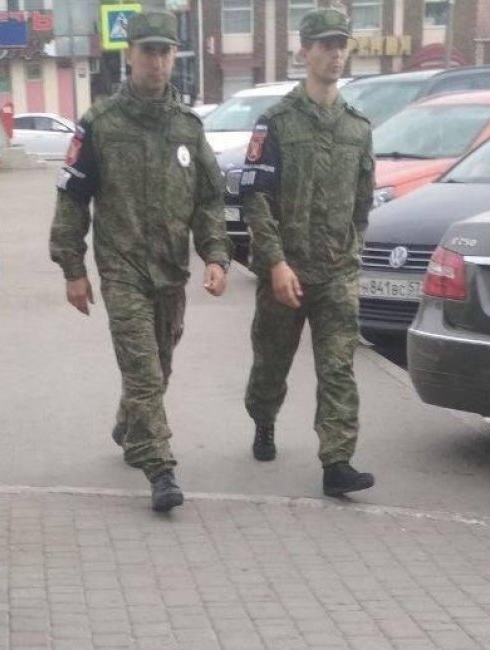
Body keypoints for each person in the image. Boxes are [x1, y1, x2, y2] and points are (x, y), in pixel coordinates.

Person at [50, 11, 231, 513]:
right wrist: (73, 267)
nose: (156, 61)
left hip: (171, 271)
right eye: (147, 51)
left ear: (175, 56)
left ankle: (130, 425)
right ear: (128, 56)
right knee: (144, 372)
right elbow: (72, 198)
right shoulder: (101, 124)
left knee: (161, 363)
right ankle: (160, 468)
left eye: (165, 51)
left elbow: (209, 199)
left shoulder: (188, 128)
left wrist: (215, 255)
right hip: (122, 269)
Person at [240, 8, 376, 497]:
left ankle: (336, 462)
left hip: (337, 272)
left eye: (341, 44)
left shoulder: (358, 127)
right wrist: (275, 262)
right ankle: (263, 417)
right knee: (271, 362)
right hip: (286, 270)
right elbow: (254, 197)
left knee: (338, 366)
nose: (335, 53)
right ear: (305, 53)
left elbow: (363, 200)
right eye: (325, 45)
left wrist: (352, 254)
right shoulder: (275, 122)